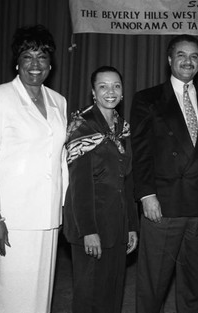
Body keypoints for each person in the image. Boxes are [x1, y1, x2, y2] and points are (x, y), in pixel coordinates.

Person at [0, 24, 68, 313]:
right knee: (8, 291)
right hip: (12, 215)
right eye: (28, 56)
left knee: (40, 291)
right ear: (17, 62)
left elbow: (60, 157)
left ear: (50, 64)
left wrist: (64, 205)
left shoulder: (59, 101)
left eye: (42, 57)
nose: (35, 64)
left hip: (48, 213)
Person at [130, 34, 198, 313]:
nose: (188, 61)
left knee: (197, 282)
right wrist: (146, 194)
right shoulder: (147, 99)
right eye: (181, 55)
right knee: (153, 283)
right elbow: (141, 151)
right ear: (169, 60)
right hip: (163, 204)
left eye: (194, 56)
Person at [63, 66, 138, 313]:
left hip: (117, 226)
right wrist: (88, 231)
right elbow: (79, 185)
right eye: (103, 86)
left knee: (112, 293)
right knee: (89, 296)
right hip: (91, 226)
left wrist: (131, 226)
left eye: (116, 85)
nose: (110, 91)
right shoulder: (82, 126)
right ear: (93, 93)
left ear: (123, 92)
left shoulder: (122, 128)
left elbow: (127, 181)